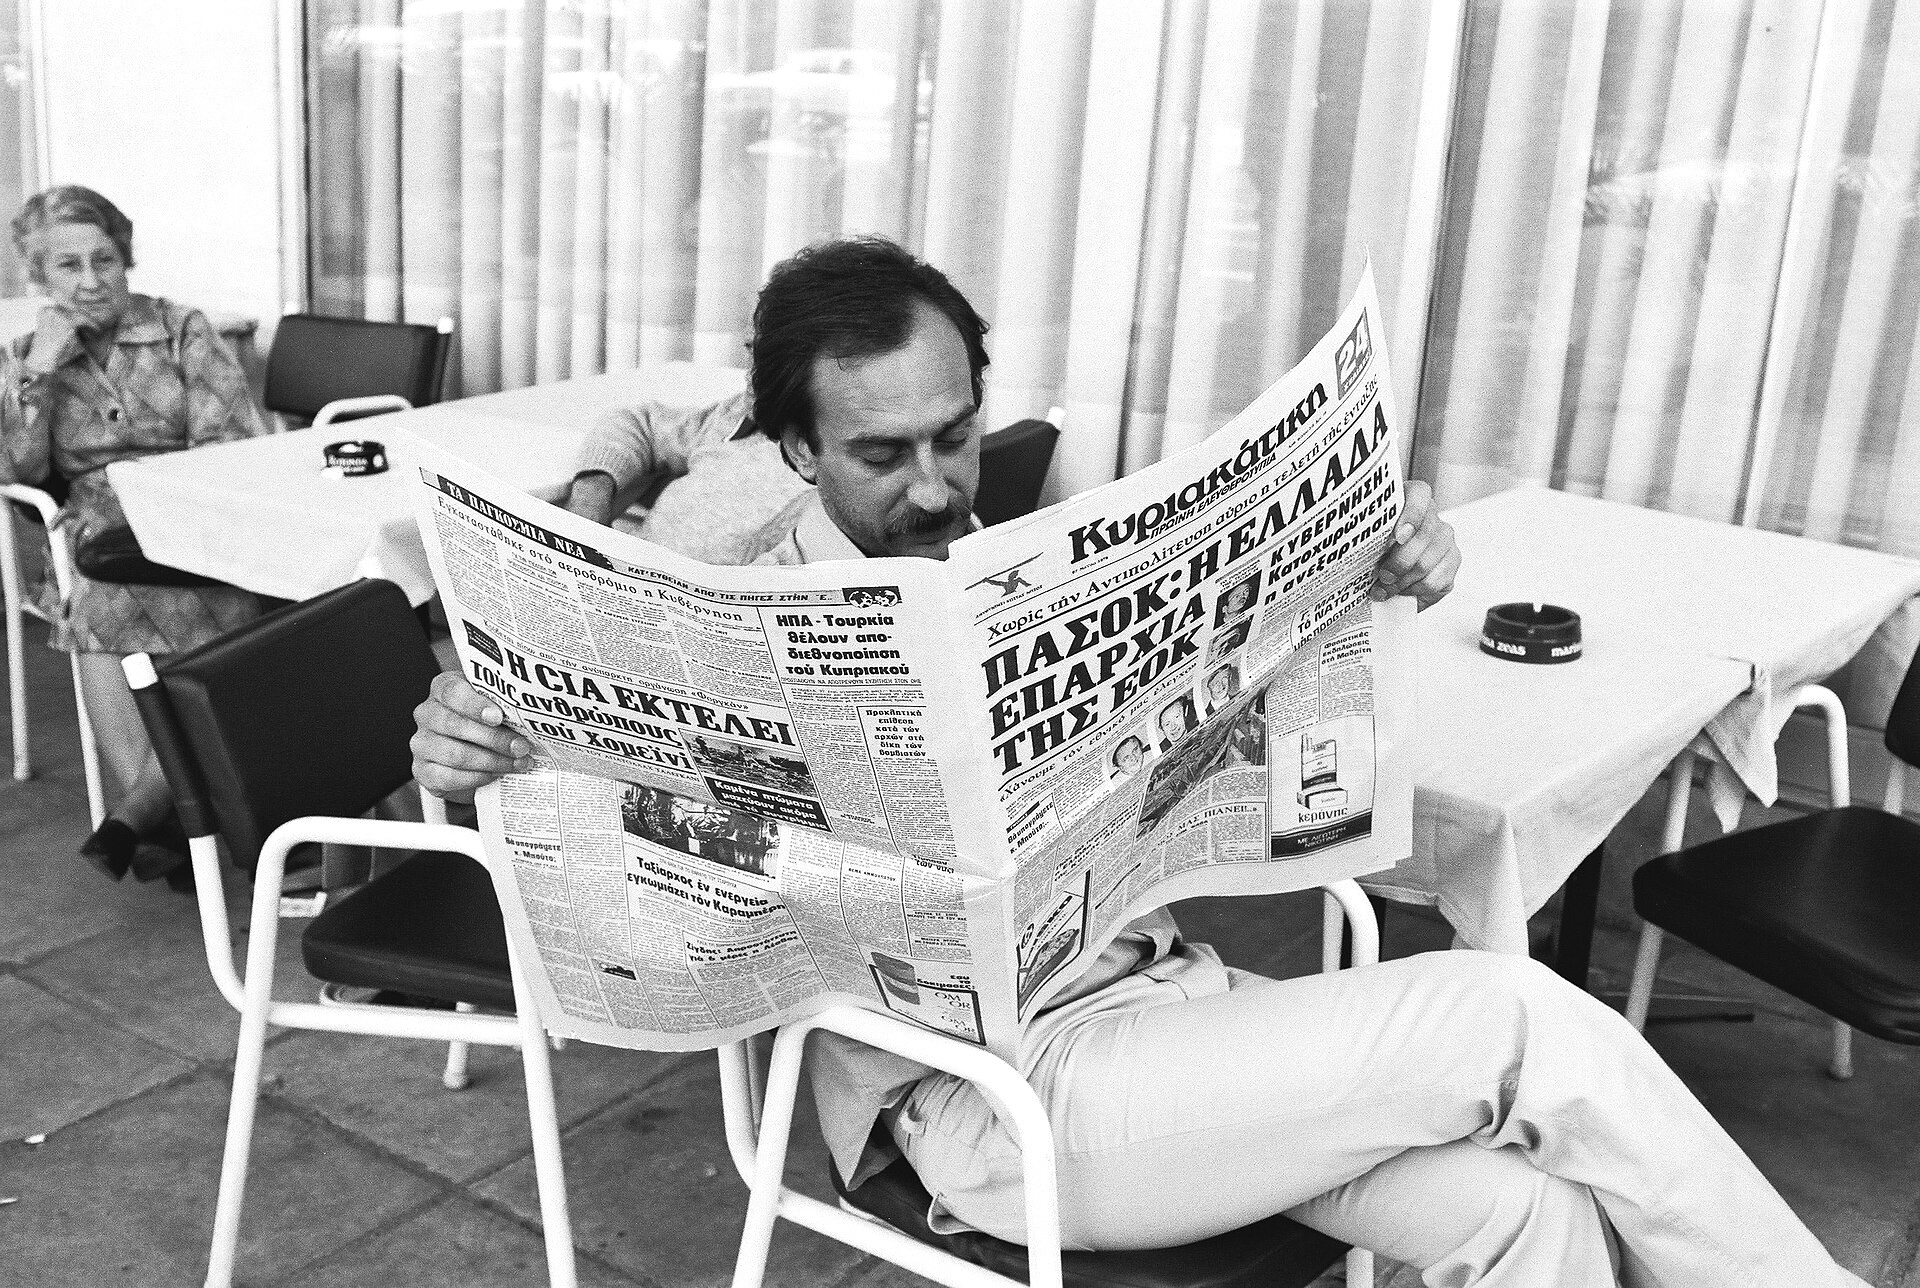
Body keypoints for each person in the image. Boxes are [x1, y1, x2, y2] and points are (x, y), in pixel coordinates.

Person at [409, 237, 1865, 1286]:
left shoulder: (1008, 572)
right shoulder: (724, 616)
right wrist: (468, 754)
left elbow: (1243, 719)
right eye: (882, 456)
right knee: (1520, 1018)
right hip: (987, 1106)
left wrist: (1377, 575)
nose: (937, 485)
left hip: (1167, 1017)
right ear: (795, 452)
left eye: (955, 436)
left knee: (1524, 1215)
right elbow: (589, 825)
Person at [1, 186, 266, 888]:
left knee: (137, 593)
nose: (91, 281)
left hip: (192, 511)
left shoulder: (182, 329)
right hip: (92, 531)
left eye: (105, 259)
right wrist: (39, 373)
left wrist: (154, 500)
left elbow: (229, 442)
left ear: (126, 258)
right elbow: (14, 470)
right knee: (99, 586)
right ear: (40, 276)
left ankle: (149, 816)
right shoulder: (27, 355)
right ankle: (171, 813)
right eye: (68, 266)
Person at [560, 387, 809, 564]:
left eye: (769, 353)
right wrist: (590, 501)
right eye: (749, 349)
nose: (751, 377)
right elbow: (640, 424)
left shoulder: (822, 468)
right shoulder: (739, 414)